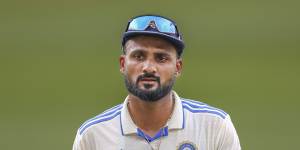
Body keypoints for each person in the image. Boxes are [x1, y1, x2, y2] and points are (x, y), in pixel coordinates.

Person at [72, 14, 241, 150]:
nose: (149, 68)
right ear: (123, 64)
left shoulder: (215, 126)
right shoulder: (92, 136)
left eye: (161, 58)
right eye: (139, 56)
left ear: (178, 67)